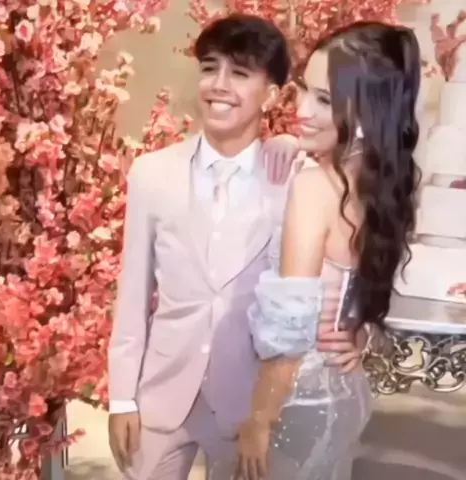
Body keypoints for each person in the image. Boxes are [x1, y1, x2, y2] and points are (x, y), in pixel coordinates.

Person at [108, 14, 376, 480]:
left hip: (249, 403)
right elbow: (132, 295)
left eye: (239, 73)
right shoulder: (151, 173)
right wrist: (121, 398)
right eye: (210, 68)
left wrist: (360, 331)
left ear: (271, 95)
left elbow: (354, 256)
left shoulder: (297, 177)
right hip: (161, 395)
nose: (219, 85)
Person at [237, 20, 421, 480]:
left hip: (293, 400)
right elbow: (363, 281)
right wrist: (359, 334)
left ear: (367, 111)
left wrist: (260, 420)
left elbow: (290, 329)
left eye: (324, 99)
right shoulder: (384, 187)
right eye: (303, 89)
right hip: (343, 390)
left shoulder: (314, 187)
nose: (301, 109)